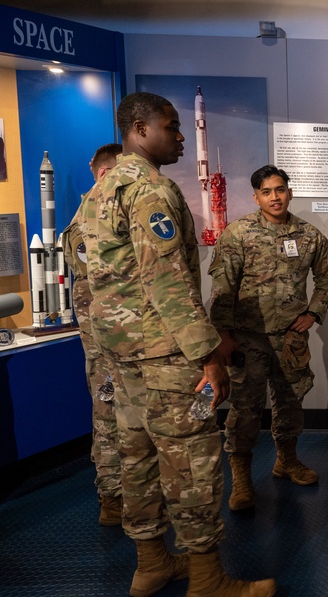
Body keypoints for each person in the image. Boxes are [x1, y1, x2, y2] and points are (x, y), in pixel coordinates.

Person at [80, 92, 275, 597]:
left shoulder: (99, 193)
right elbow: (167, 282)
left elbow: (93, 278)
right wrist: (209, 357)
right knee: (191, 464)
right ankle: (207, 579)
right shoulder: (151, 193)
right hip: (167, 358)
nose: (182, 136)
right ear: (140, 129)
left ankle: (151, 564)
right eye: (171, 127)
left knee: (138, 459)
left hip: (121, 356)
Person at [208, 165, 328, 511]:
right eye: (267, 192)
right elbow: (222, 290)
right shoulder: (239, 233)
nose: (275, 197)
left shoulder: (309, 236)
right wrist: (223, 337)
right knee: (245, 410)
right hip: (247, 339)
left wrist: (314, 312)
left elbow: (327, 276)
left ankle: (287, 461)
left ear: (289, 192)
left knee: (291, 403)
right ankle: (242, 480)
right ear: (256, 197)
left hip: (290, 339)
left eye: (280, 190)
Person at [62, 143, 122, 526]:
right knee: (109, 415)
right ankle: (113, 495)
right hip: (107, 342)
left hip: (123, 338)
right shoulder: (89, 222)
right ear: (104, 175)